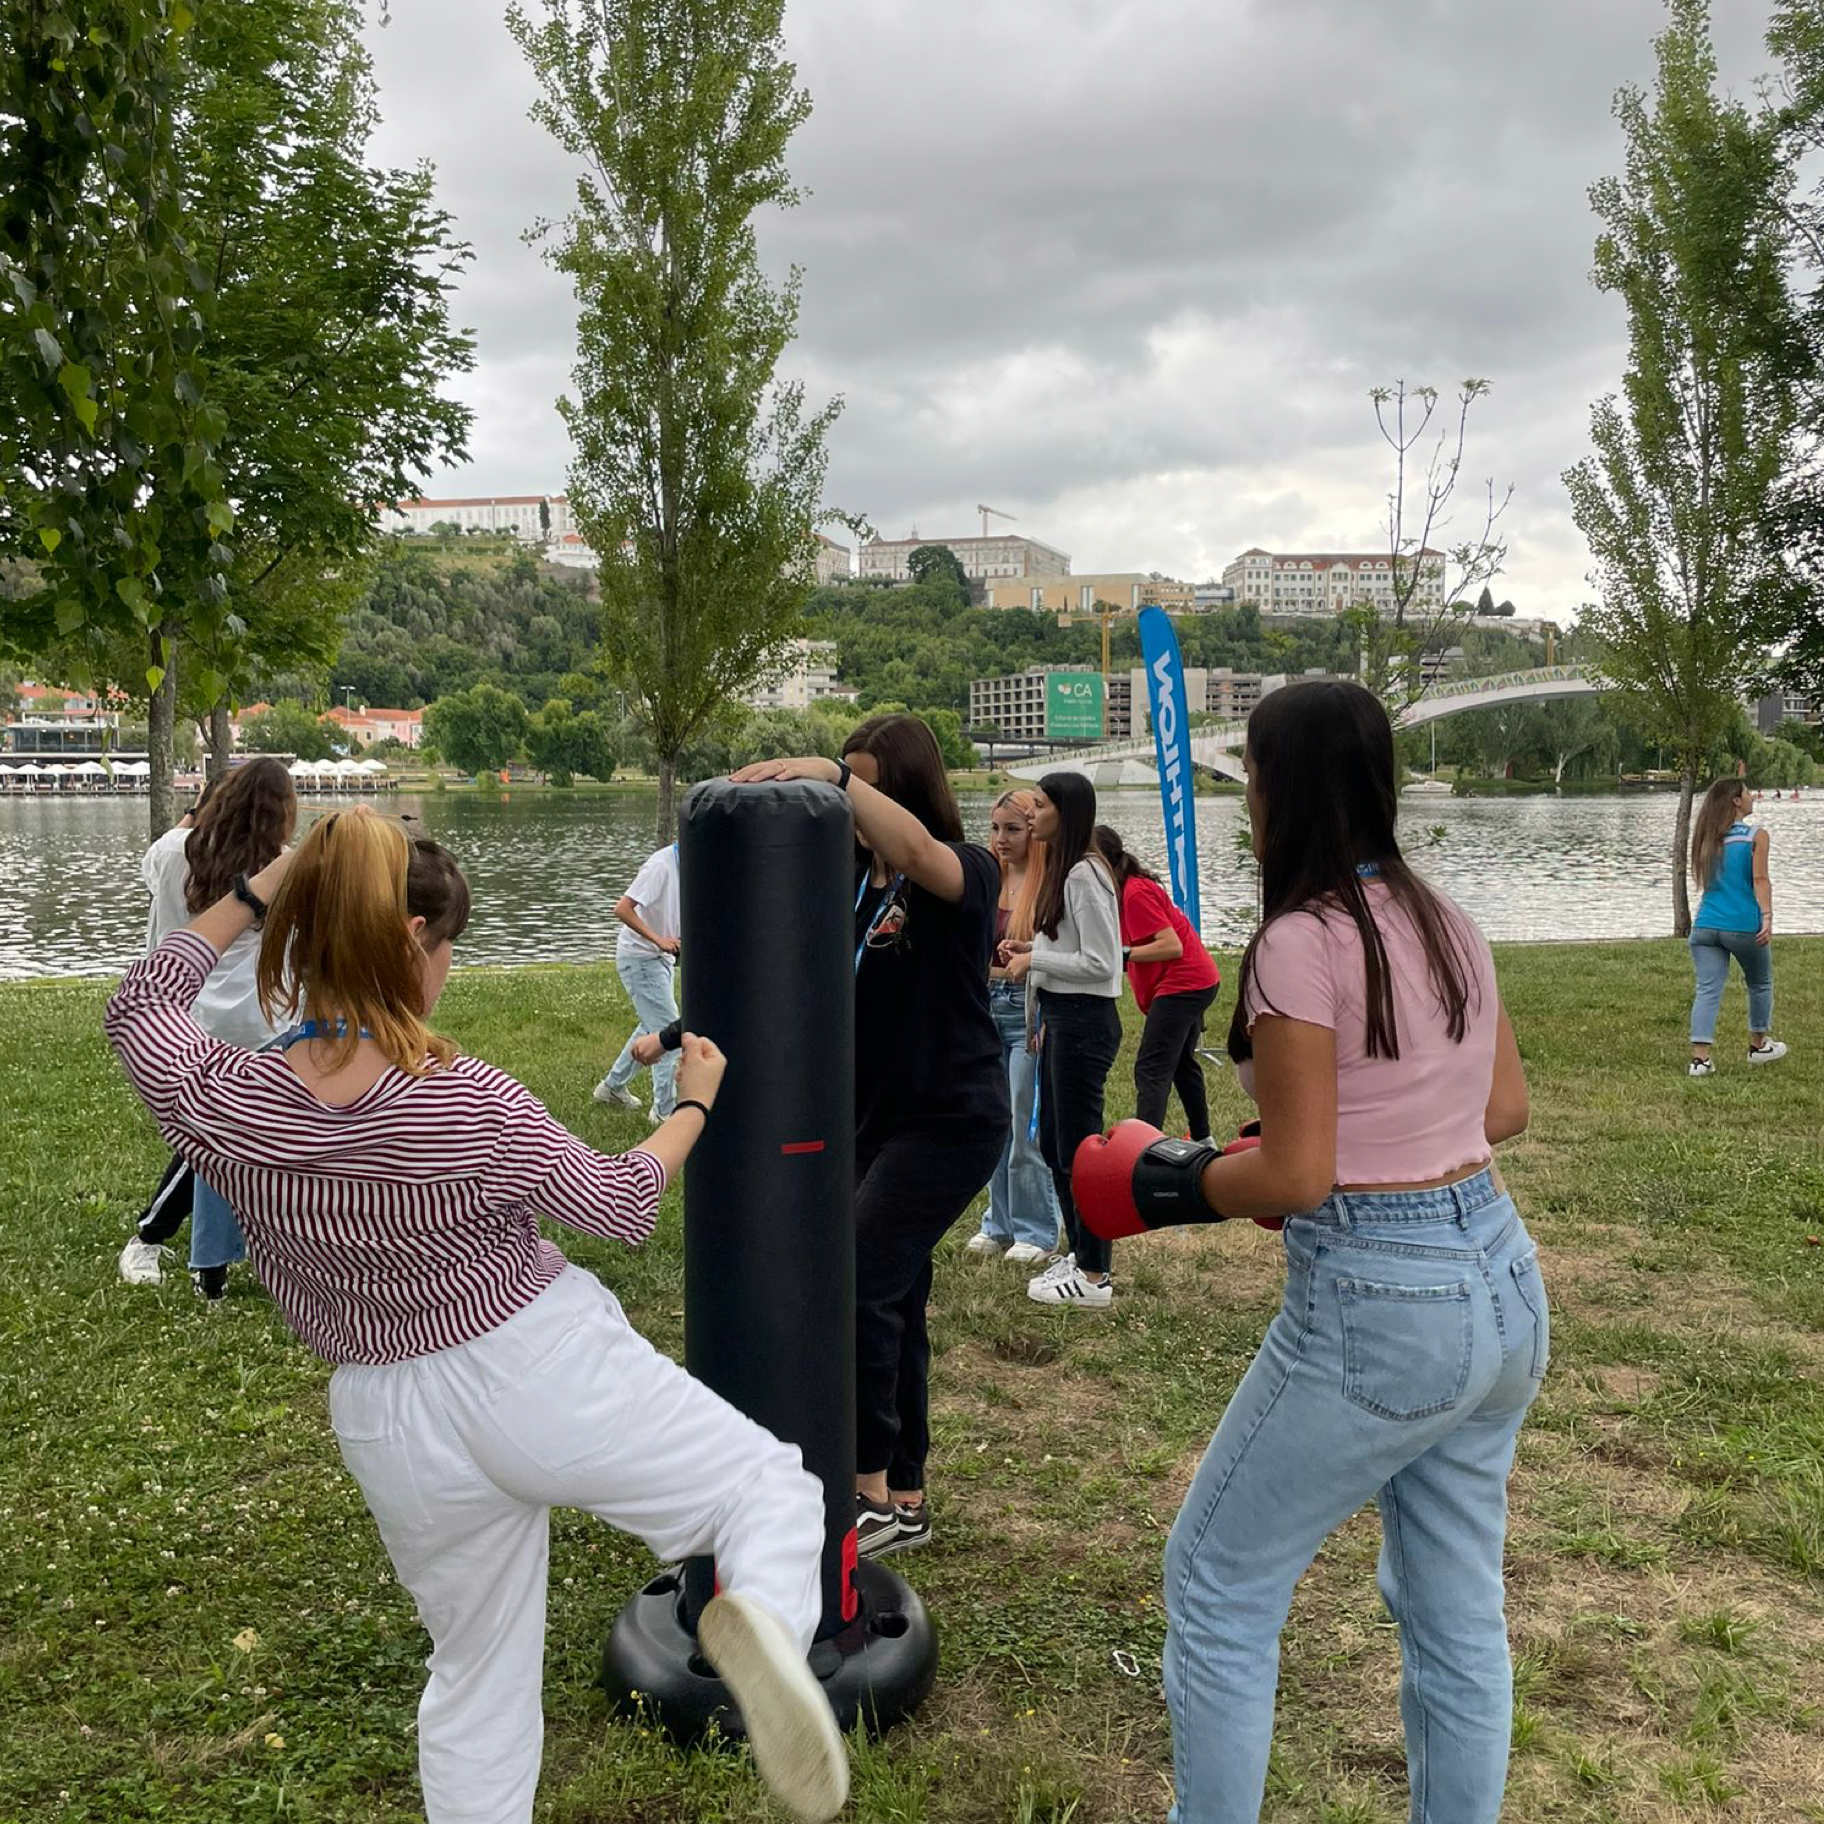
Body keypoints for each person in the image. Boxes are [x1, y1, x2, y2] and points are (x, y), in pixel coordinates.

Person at [103, 805, 848, 1824]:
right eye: (447, 947)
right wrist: (693, 1104)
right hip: (531, 1363)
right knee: (767, 1489)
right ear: (415, 941)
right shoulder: (469, 1102)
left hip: (386, 1417)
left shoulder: (223, 1100)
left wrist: (258, 890)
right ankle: (757, 1612)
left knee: (477, 1668)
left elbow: (141, 1001)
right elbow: (620, 1203)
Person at [1073, 680, 1543, 1824]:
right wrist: (1324, 1140)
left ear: (1277, 790)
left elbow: (1296, 1178)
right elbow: (1504, 1111)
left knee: (1217, 1580)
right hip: (1500, 1279)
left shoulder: (1299, 940)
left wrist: (1168, 1179)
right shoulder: (1447, 920)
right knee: (1455, 1611)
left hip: (1385, 1300)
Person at [730, 715, 1008, 1560]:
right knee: (897, 1297)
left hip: (951, 1120)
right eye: (839, 783)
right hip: (874, 1121)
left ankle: (868, 1489)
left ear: (905, 791)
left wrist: (834, 776)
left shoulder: (965, 870)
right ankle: (907, 1494)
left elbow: (920, 852)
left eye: (861, 785)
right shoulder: (850, 884)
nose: (842, 802)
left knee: (854, 1279)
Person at [118, 759, 297, 1297]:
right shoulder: (279, 867)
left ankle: (195, 1249)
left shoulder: (175, 852)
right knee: (214, 1142)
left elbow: (157, 862)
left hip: (183, 1005)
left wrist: (198, 811)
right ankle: (155, 1235)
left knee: (219, 1139)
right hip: (252, 1018)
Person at [1000, 772, 1123, 1311]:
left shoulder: (1082, 874)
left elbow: (1102, 962)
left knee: (1078, 1150)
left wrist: (1035, 959)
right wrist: (1034, 945)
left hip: (1084, 1021)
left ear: (1066, 813)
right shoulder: (1069, 872)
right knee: (1053, 1142)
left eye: (1042, 806)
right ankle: (1079, 1254)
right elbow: (1076, 947)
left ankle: (1095, 1275)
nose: (1033, 815)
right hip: (1061, 1018)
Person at [964, 789, 1063, 1265]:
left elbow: (1059, 959)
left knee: (1026, 1122)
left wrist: (1047, 1015)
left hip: (1028, 1009)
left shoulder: (1050, 886)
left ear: (1035, 832)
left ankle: (1037, 1229)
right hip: (985, 1006)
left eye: (1013, 829)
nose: (1001, 839)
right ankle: (998, 1222)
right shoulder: (986, 878)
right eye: (995, 828)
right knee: (992, 1120)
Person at [1094, 825, 1221, 1143]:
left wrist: (1122, 955)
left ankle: (1140, 1151)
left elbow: (1171, 946)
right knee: (1180, 1064)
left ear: (1101, 862)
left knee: (1150, 1067)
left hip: (1185, 983)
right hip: (1196, 981)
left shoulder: (1135, 892)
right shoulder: (1121, 892)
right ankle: (1204, 1140)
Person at [1686, 778, 1785, 1076]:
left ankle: (1700, 1059)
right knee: (1759, 982)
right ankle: (1758, 1046)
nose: (1752, 796)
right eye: (1747, 792)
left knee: (1707, 989)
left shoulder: (1706, 838)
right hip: (1742, 925)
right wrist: (1766, 916)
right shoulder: (1756, 836)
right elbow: (1760, 880)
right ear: (1736, 801)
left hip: (1705, 926)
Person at [594, 841, 682, 1121]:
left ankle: (612, 1088)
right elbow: (622, 909)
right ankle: (664, 1112)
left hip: (661, 960)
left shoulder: (693, 863)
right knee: (670, 1037)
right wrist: (659, 940)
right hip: (641, 959)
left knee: (652, 1027)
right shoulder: (660, 865)